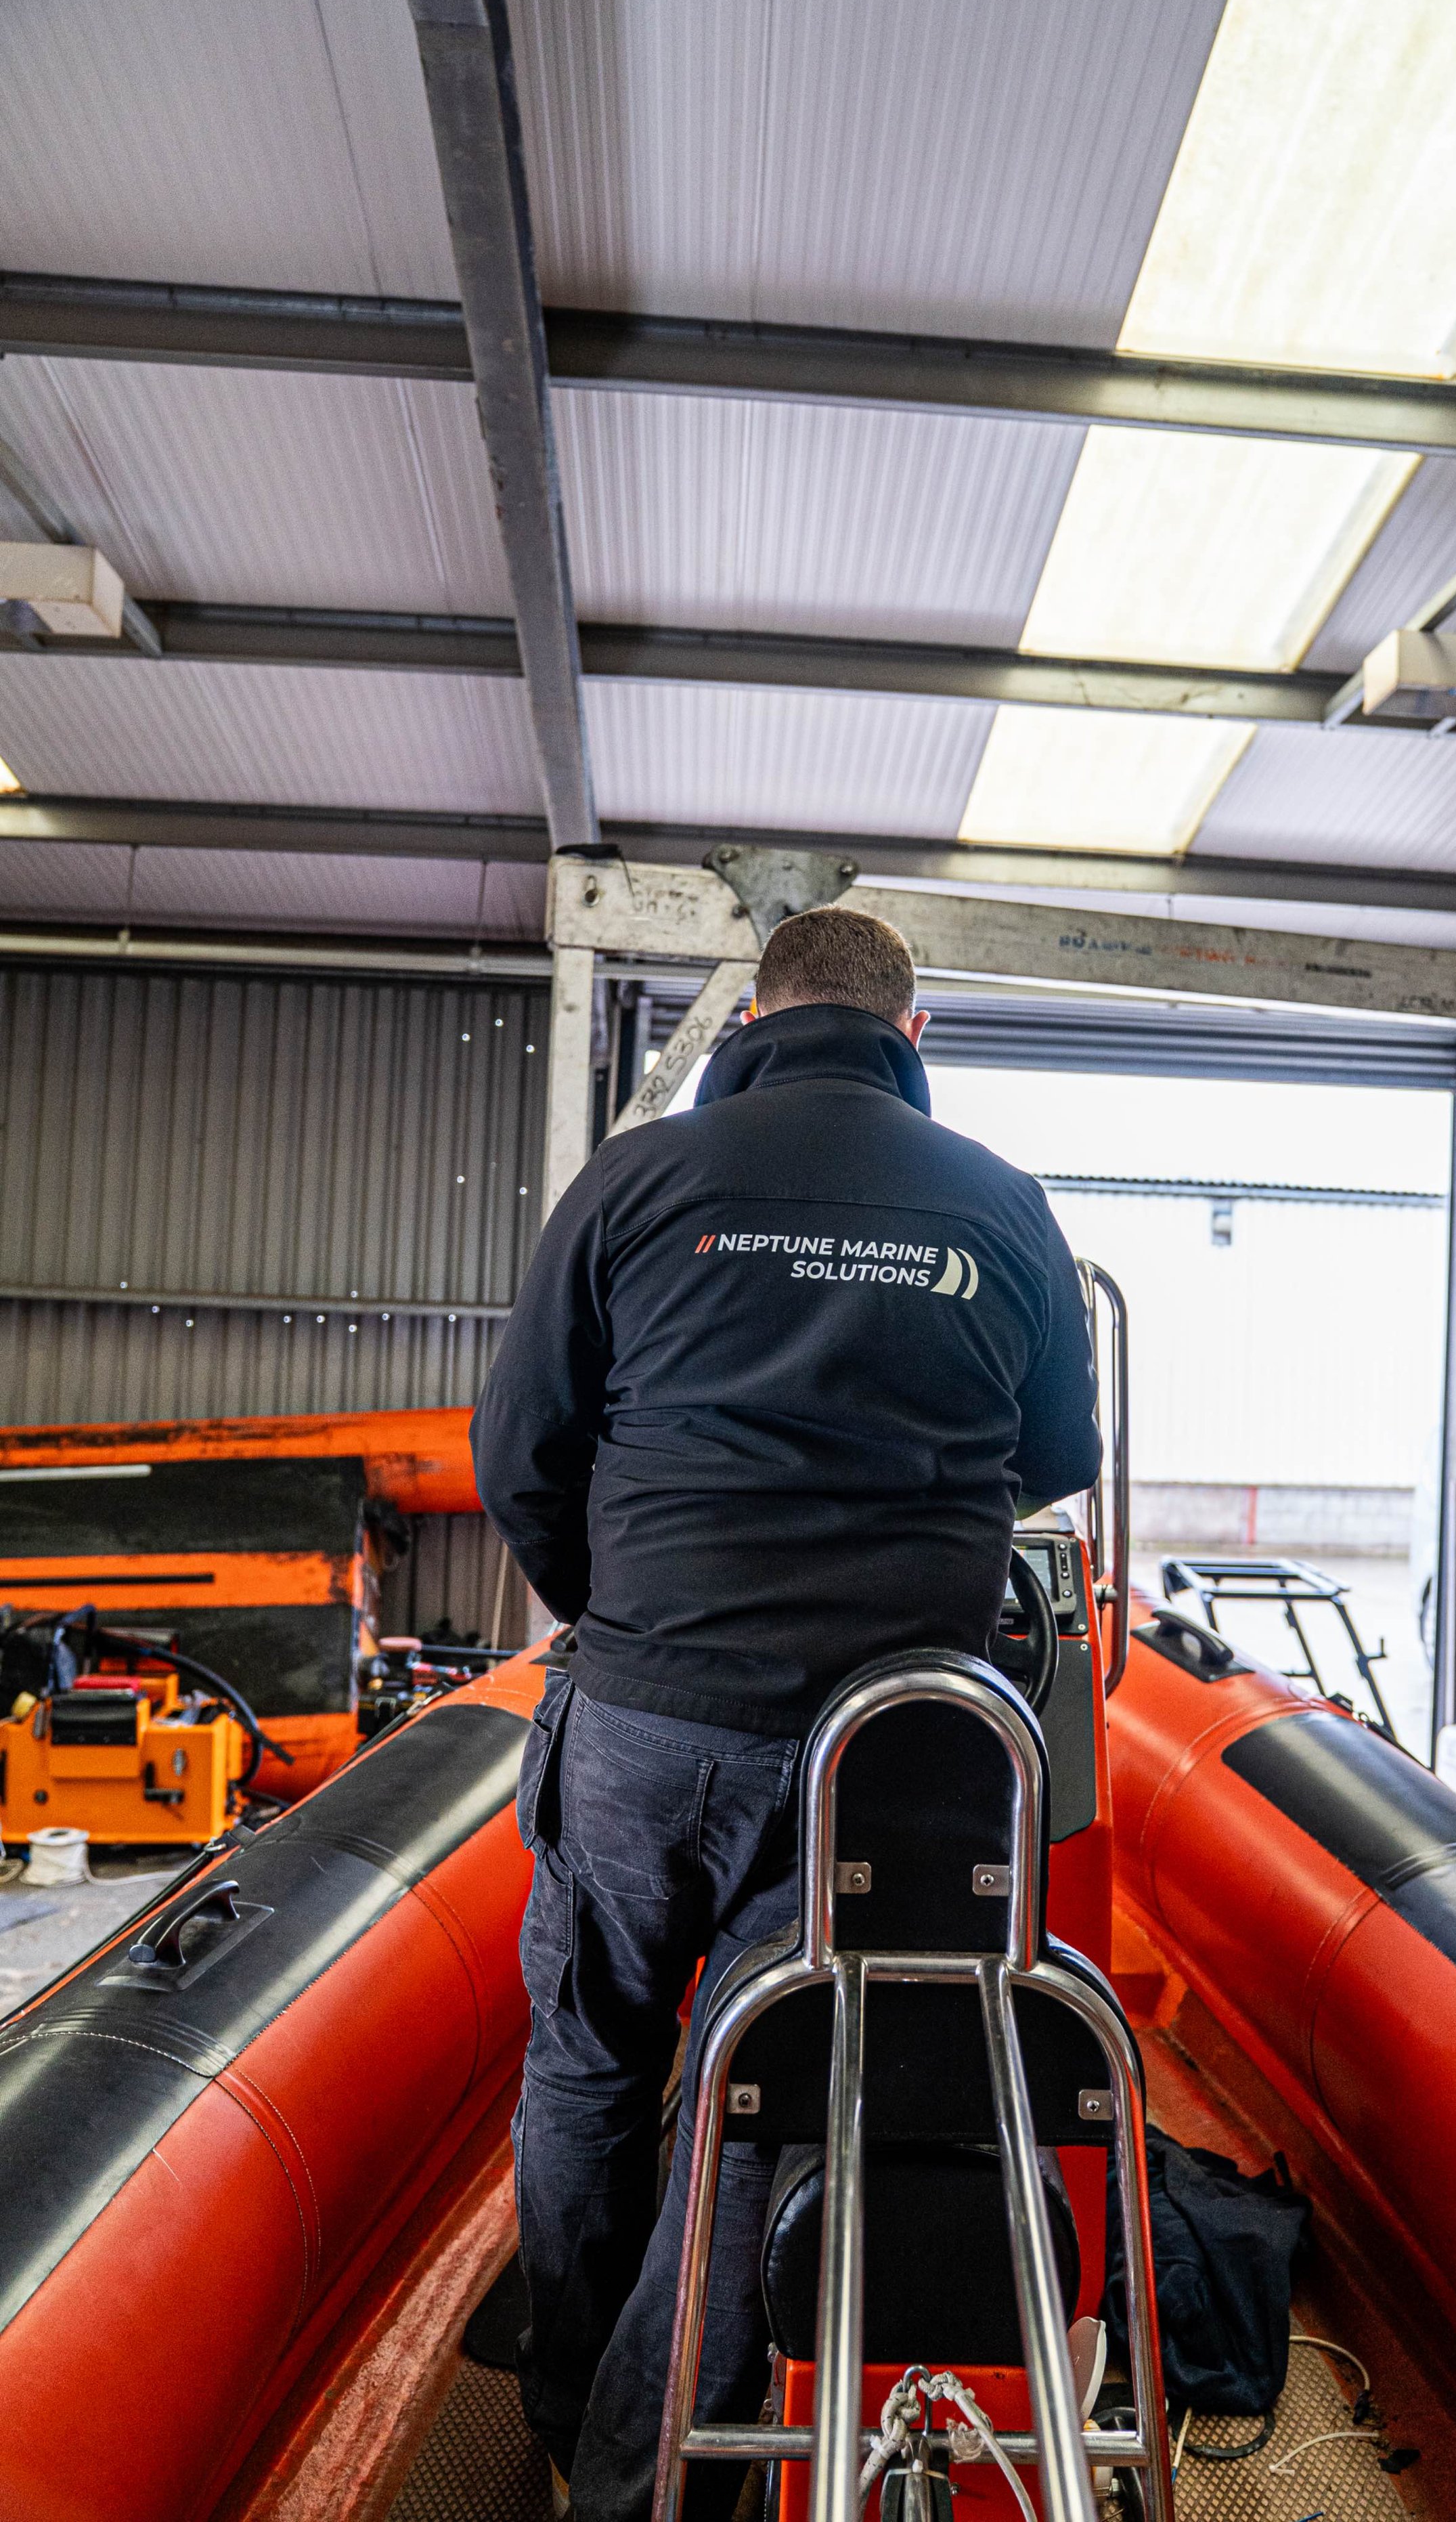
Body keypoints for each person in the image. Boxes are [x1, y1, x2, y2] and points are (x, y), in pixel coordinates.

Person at [472, 904, 1102, 2522]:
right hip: (879, 1756)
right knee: (762, 2092)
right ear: (917, 1039)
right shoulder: (1003, 1206)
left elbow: (523, 1446)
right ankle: (655, 2466)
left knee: (590, 2056)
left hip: (643, 1718)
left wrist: (619, 1620)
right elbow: (1052, 1460)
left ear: (755, 1015)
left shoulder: (635, 1181)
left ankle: (560, 2401)